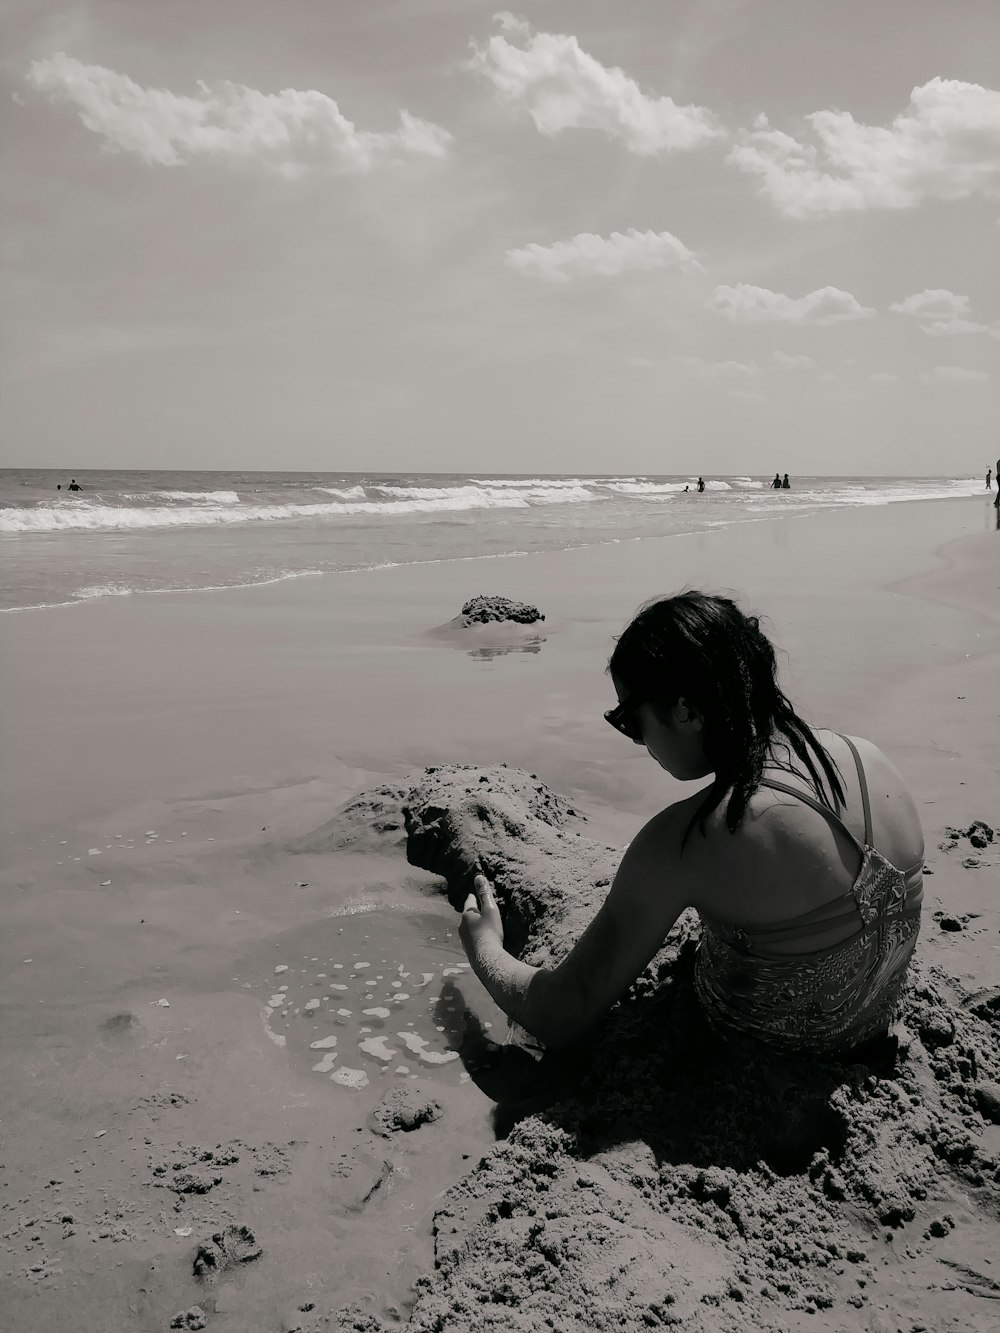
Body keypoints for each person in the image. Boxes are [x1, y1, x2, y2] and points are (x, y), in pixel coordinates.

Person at [460, 591, 924, 1056]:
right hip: (871, 1021)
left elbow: (559, 1013)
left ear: (685, 711)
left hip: (766, 1048)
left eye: (629, 721)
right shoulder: (869, 758)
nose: (638, 741)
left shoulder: (688, 841)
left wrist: (485, 948)